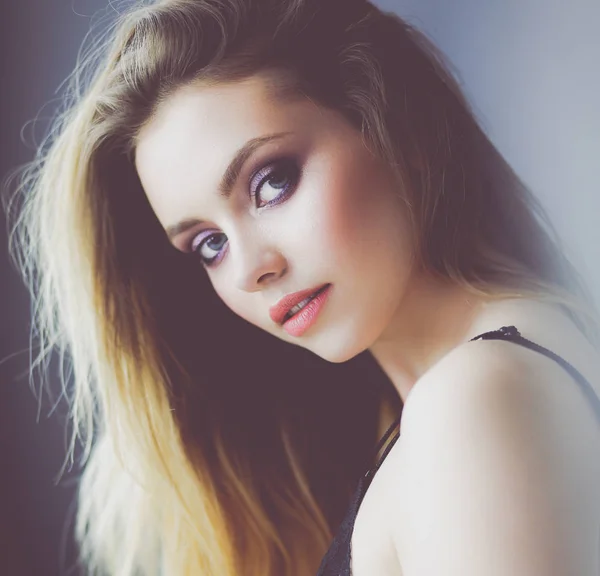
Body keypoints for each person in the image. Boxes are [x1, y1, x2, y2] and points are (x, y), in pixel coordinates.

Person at [4, 0, 600, 574]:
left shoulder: (471, 403)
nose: (248, 270)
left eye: (271, 182)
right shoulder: (489, 383)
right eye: (209, 244)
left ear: (398, 122)